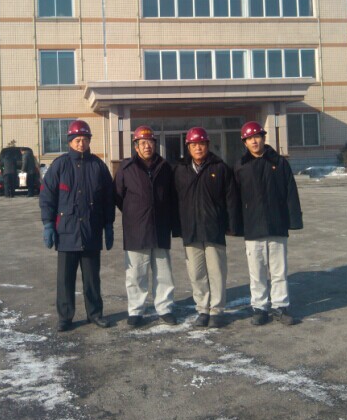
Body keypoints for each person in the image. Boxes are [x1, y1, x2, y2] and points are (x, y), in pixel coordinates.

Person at [40, 120, 115, 331]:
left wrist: (108, 225)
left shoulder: (98, 166)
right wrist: (48, 224)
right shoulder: (60, 165)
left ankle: (95, 314)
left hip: (91, 231)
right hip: (66, 232)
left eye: (85, 140)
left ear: (89, 141)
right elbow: (47, 197)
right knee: (65, 280)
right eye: (77, 140)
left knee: (92, 279)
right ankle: (65, 317)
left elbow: (108, 199)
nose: (81, 144)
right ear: (70, 142)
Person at [234, 121, 303, 326]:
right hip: (252, 227)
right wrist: (235, 224)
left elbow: (290, 192)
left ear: (264, 138)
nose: (254, 141)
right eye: (249, 138)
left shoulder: (279, 163)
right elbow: (234, 198)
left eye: (257, 136)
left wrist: (293, 220)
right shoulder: (240, 166)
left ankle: (280, 307)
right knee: (257, 273)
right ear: (244, 142)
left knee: (279, 271)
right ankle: (260, 308)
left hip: (276, 225)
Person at [174, 127, 242, 329]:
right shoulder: (180, 170)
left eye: (201, 144)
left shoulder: (220, 168)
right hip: (191, 230)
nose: (198, 148)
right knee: (196, 273)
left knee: (217, 272)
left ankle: (217, 310)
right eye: (194, 144)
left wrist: (231, 225)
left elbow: (231, 199)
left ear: (208, 145)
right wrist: (177, 226)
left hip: (214, 229)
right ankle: (203, 309)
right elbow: (173, 200)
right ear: (188, 147)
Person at [114, 125, 179, 327]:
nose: (146, 146)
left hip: (160, 227)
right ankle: (136, 310)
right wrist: (134, 212)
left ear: (154, 144)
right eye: (142, 143)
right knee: (136, 274)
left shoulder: (165, 167)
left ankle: (165, 308)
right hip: (136, 229)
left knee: (163, 272)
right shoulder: (126, 168)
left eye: (149, 142)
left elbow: (172, 196)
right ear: (136, 146)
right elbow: (118, 197)